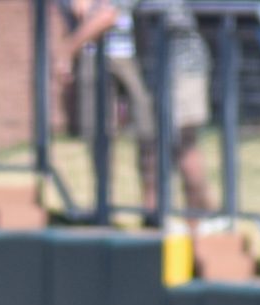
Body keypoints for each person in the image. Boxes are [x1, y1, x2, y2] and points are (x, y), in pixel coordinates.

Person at [61, 0, 216, 221]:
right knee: (165, 143)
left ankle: (201, 219)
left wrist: (66, 50)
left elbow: (108, 14)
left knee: (184, 146)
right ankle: (171, 215)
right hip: (157, 68)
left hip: (181, 68)